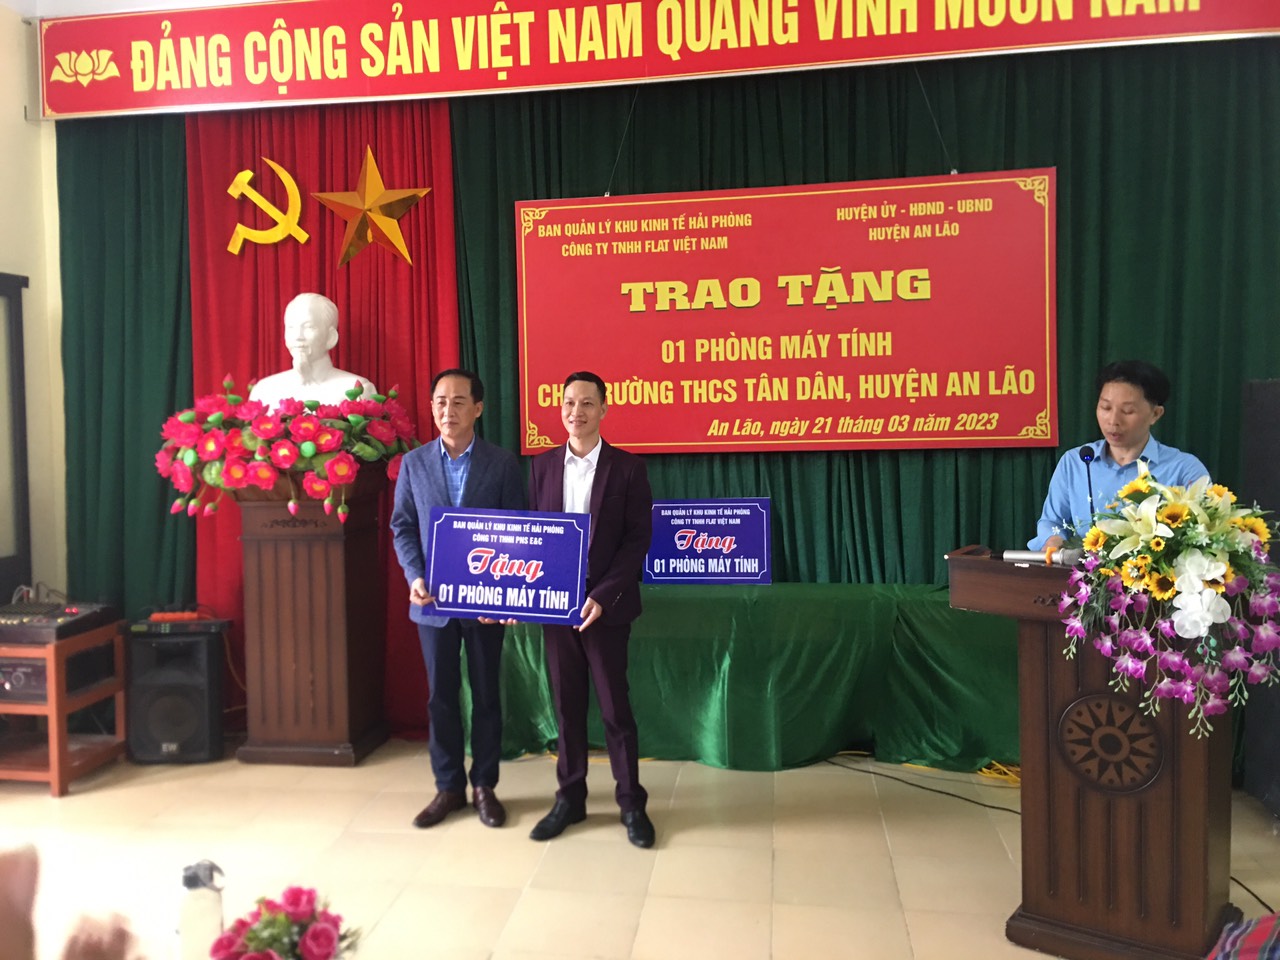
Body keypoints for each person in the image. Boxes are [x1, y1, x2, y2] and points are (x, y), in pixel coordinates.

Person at [390, 369, 525, 829]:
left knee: (486, 696)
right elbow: (402, 526)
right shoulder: (414, 464)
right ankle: (448, 788)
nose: (448, 410)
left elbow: (517, 531)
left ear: (478, 409)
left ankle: (484, 785)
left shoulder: (502, 463)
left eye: (459, 402)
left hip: (486, 604)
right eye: (440, 402)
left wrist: (507, 597)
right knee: (440, 698)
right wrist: (414, 575)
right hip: (433, 603)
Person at [527, 371, 656, 848]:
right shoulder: (540, 467)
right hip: (557, 608)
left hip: (606, 608)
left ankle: (631, 803)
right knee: (566, 708)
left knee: (615, 710)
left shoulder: (628, 469)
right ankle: (570, 798)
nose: (576, 411)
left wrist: (602, 595)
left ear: (604, 409)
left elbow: (637, 541)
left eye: (586, 403)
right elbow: (531, 536)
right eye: (568, 402)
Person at [1030, 359, 1210, 551]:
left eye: (1127, 411)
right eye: (1105, 408)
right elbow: (1052, 521)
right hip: (1083, 569)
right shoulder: (1076, 462)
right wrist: (1054, 540)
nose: (1113, 420)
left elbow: (1204, 530)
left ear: (1155, 414)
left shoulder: (1184, 469)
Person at [248, 293, 376, 408]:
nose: (298, 336)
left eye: (309, 327)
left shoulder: (357, 389)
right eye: (291, 327)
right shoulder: (264, 390)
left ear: (331, 337)